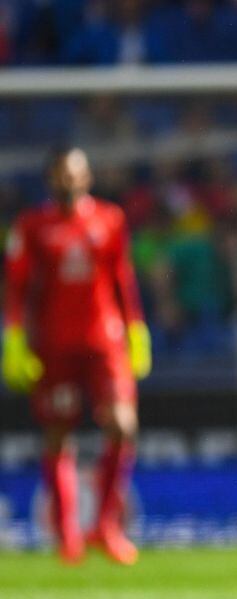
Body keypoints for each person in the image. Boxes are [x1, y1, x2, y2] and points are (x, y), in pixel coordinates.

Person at [2, 146, 151, 565]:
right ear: (50, 178)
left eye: (75, 173)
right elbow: (15, 286)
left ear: (87, 177)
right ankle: (67, 532)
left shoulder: (110, 219)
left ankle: (105, 525)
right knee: (57, 431)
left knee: (122, 424)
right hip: (53, 345)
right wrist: (14, 337)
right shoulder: (32, 225)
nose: (68, 181)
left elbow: (122, 277)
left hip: (104, 341)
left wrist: (136, 328)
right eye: (61, 174)